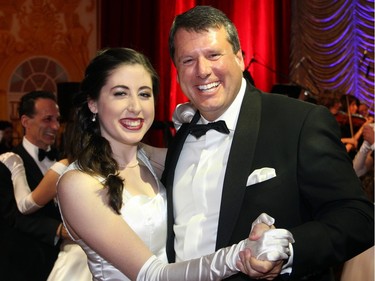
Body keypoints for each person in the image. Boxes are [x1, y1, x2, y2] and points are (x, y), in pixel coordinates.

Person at [161, 5, 374, 281]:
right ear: (177, 71)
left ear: (239, 58)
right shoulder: (181, 139)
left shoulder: (299, 122)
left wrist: (286, 250)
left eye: (213, 55)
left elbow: (357, 218)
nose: (202, 71)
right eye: (187, 60)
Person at [56, 47, 294, 281]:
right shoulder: (78, 183)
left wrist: (192, 129)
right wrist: (238, 255)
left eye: (144, 94)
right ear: (93, 103)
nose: (135, 107)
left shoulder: (150, 160)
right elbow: (153, 274)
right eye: (120, 93)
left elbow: (218, 162)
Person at [0, 91, 91, 281]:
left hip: (69, 261)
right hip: (24, 263)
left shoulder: (67, 160)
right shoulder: (7, 163)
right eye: (47, 119)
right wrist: (58, 229)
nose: (56, 126)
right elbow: (12, 216)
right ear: (25, 121)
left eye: (57, 119)